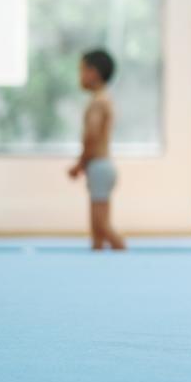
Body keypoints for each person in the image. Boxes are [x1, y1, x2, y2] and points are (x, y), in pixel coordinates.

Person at [69, 49, 126, 251]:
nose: (80, 76)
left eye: (82, 70)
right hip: (102, 166)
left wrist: (80, 163)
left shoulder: (98, 102)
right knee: (97, 231)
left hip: (99, 166)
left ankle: (123, 252)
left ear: (93, 73)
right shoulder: (104, 99)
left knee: (101, 226)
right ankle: (97, 255)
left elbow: (92, 136)